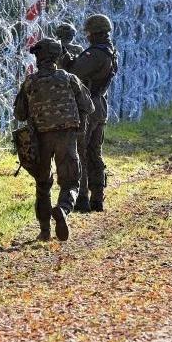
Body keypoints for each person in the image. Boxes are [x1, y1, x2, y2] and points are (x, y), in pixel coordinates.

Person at [14, 39, 94, 241]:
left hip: (39, 138)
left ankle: (44, 231)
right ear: (57, 56)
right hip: (66, 136)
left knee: (42, 185)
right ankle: (63, 210)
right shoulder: (68, 78)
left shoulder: (30, 82)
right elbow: (88, 105)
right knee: (70, 182)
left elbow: (20, 114)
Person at [62, 14, 118, 213]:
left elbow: (74, 72)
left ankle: (83, 198)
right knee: (95, 153)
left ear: (94, 33)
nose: (87, 36)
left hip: (89, 106)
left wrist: (64, 56)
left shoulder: (95, 54)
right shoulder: (109, 51)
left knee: (82, 153)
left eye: (89, 33)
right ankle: (98, 197)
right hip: (101, 105)